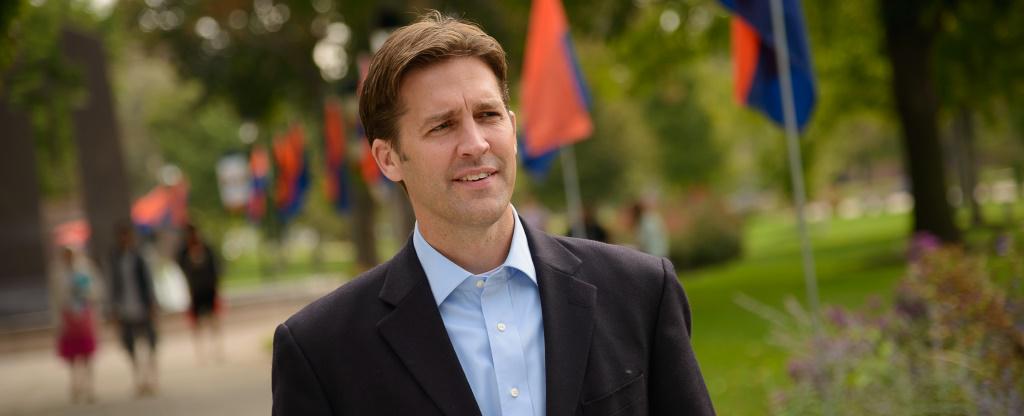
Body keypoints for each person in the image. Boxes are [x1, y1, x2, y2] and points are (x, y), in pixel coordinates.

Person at [272, 11, 714, 416]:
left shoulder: (641, 292)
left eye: (487, 115)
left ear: (513, 129)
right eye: (442, 125)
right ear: (388, 159)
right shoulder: (321, 351)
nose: (476, 143)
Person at [109, 222, 159, 396]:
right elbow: (113, 285)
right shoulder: (115, 259)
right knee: (130, 344)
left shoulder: (140, 257)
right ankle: (139, 378)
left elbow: (149, 282)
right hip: (125, 307)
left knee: (150, 342)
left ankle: (151, 378)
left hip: (142, 305)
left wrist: (152, 303)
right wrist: (113, 308)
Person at [55, 246, 99, 403]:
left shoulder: (84, 269)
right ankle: (75, 384)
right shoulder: (58, 273)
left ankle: (89, 386)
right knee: (72, 354)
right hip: (68, 316)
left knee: (87, 353)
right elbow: (57, 297)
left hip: (84, 314)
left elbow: (94, 290)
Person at [176, 223, 223, 362]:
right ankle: (201, 351)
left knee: (213, 318)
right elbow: (181, 267)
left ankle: (216, 348)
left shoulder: (206, 249)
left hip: (208, 289)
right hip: (195, 290)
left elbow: (215, 267)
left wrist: (215, 284)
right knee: (197, 322)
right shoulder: (184, 252)